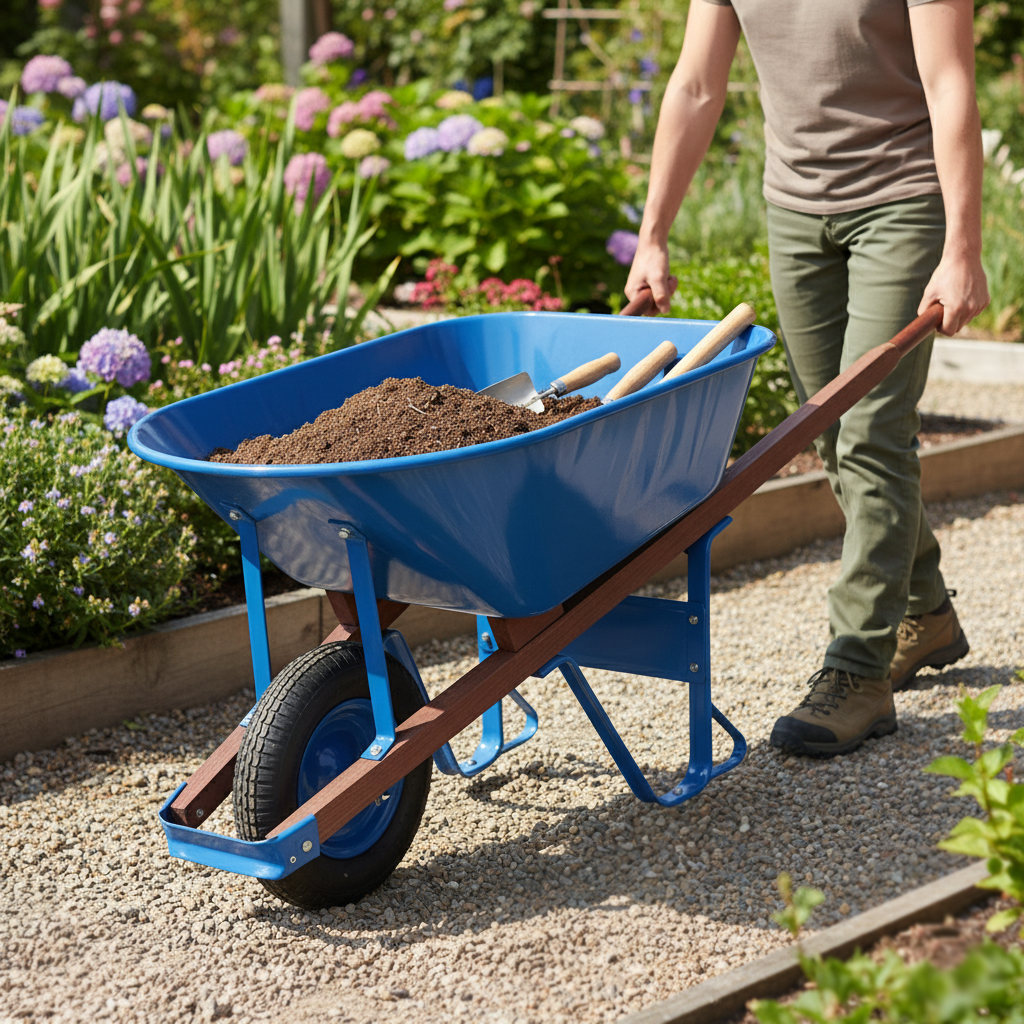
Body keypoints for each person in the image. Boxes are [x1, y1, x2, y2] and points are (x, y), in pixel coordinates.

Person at [626, 0, 989, 757]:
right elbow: (696, 84)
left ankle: (858, 669)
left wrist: (962, 246)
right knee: (828, 430)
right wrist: (652, 235)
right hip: (794, 210)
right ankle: (924, 609)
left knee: (871, 432)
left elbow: (949, 78)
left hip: (902, 200)